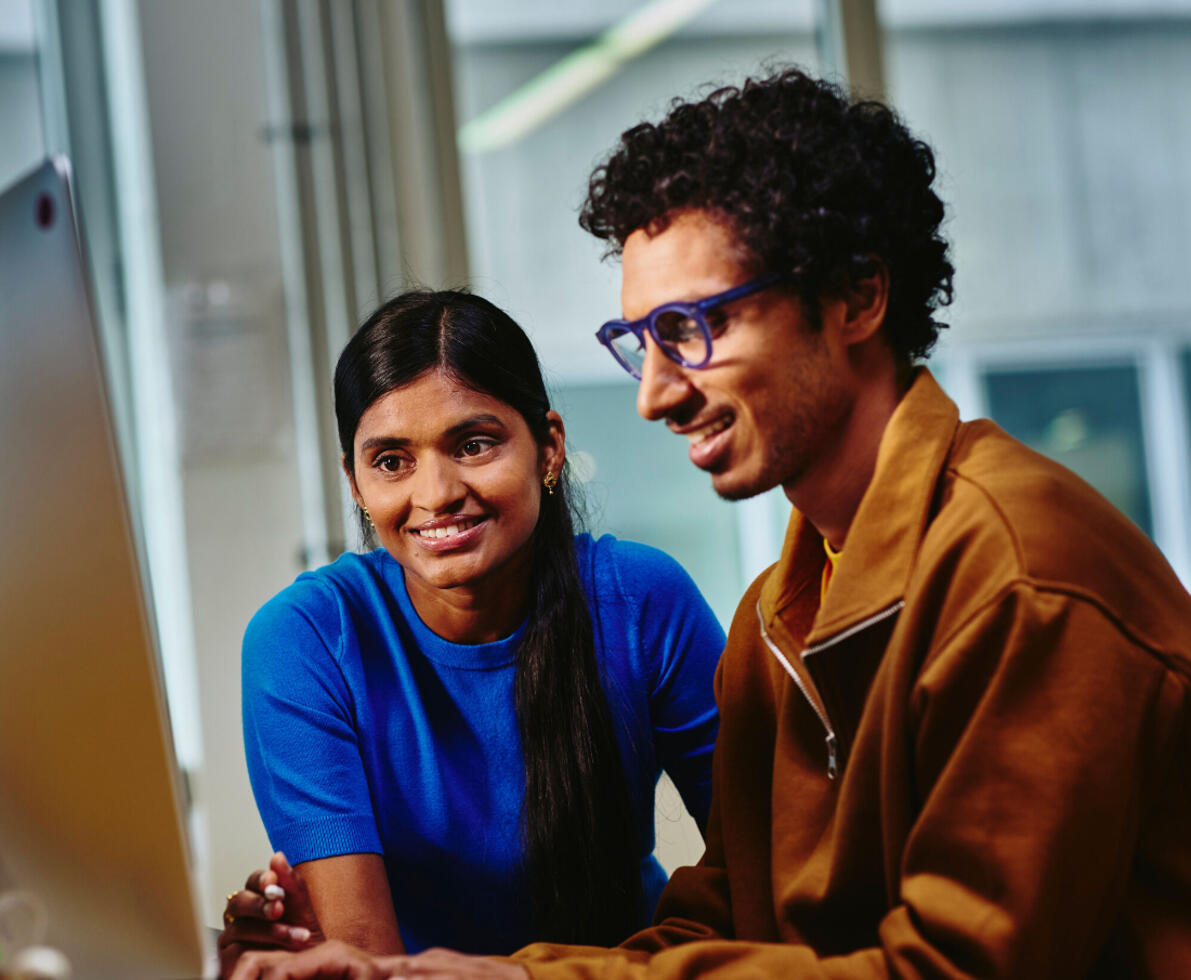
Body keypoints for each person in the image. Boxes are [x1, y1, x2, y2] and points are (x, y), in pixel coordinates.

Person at [226, 66, 1191, 980]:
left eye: (694, 329)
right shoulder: (783, 610)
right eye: (640, 341)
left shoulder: (1020, 575)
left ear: (856, 296)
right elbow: (735, 915)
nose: (653, 394)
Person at [218, 289, 724, 975]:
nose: (435, 494)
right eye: (391, 461)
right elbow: (369, 966)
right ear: (356, 483)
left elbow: (761, 877)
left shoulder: (642, 600)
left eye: (474, 444)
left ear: (549, 449)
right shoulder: (306, 640)